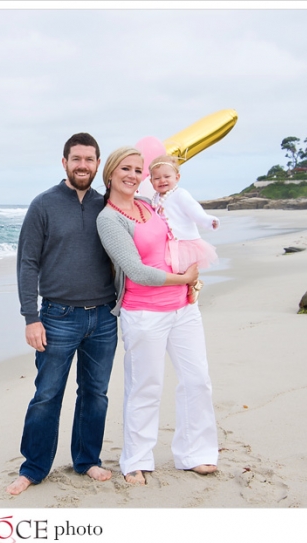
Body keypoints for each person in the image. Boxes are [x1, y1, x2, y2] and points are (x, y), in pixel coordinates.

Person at [96, 146, 219, 486]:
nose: (133, 175)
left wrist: (192, 281)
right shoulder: (108, 218)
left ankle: (196, 453)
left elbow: (179, 238)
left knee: (197, 380)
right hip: (144, 313)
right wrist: (184, 277)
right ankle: (136, 459)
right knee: (145, 386)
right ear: (110, 173)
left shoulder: (150, 205)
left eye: (138, 170)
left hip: (184, 308)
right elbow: (135, 270)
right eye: (126, 169)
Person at [7, 133, 119, 496]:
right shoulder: (43, 205)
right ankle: (34, 467)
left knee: (95, 394)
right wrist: (30, 317)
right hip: (56, 317)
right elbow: (27, 263)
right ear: (64, 162)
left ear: (98, 164)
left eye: (89, 159)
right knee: (47, 394)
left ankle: (86, 460)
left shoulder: (110, 206)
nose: (83, 165)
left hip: (104, 317)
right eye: (76, 159)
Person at [149, 154, 219, 303]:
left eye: (167, 176)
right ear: (151, 181)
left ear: (177, 177)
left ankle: (194, 284)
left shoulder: (180, 194)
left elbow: (195, 211)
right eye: (157, 178)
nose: (162, 180)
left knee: (186, 268)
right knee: (174, 269)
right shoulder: (154, 198)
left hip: (185, 241)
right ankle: (185, 288)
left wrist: (208, 221)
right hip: (169, 242)